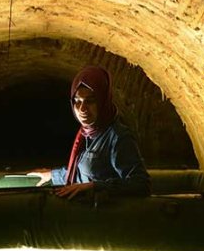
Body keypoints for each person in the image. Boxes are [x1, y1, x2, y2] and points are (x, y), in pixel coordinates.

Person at [29, 66, 151, 200]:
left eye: (90, 101)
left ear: (103, 101)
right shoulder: (86, 133)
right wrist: (53, 175)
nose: (82, 109)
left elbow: (140, 184)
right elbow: (80, 172)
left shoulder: (118, 137)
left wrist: (96, 186)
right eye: (77, 101)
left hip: (105, 217)